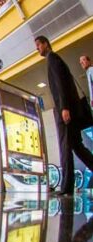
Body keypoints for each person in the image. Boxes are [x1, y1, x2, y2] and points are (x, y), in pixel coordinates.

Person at [35, 36, 93, 195]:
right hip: (70, 109)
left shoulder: (52, 58)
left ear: (46, 43)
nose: (37, 48)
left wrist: (64, 108)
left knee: (65, 146)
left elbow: (61, 85)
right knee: (77, 146)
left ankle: (67, 188)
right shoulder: (55, 59)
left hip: (65, 110)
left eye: (38, 45)